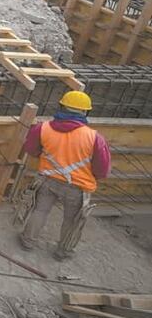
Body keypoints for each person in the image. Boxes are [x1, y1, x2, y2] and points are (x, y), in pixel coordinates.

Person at [18, 91, 110, 260]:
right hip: (77, 187)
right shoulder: (94, 138)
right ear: (85, 112)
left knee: (40, 211)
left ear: (61, 106)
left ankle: (28, 241)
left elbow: (31, 150)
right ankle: (63, 251)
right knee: (72, 220)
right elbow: (101, 170)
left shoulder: (43, 128)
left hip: (47, 180)